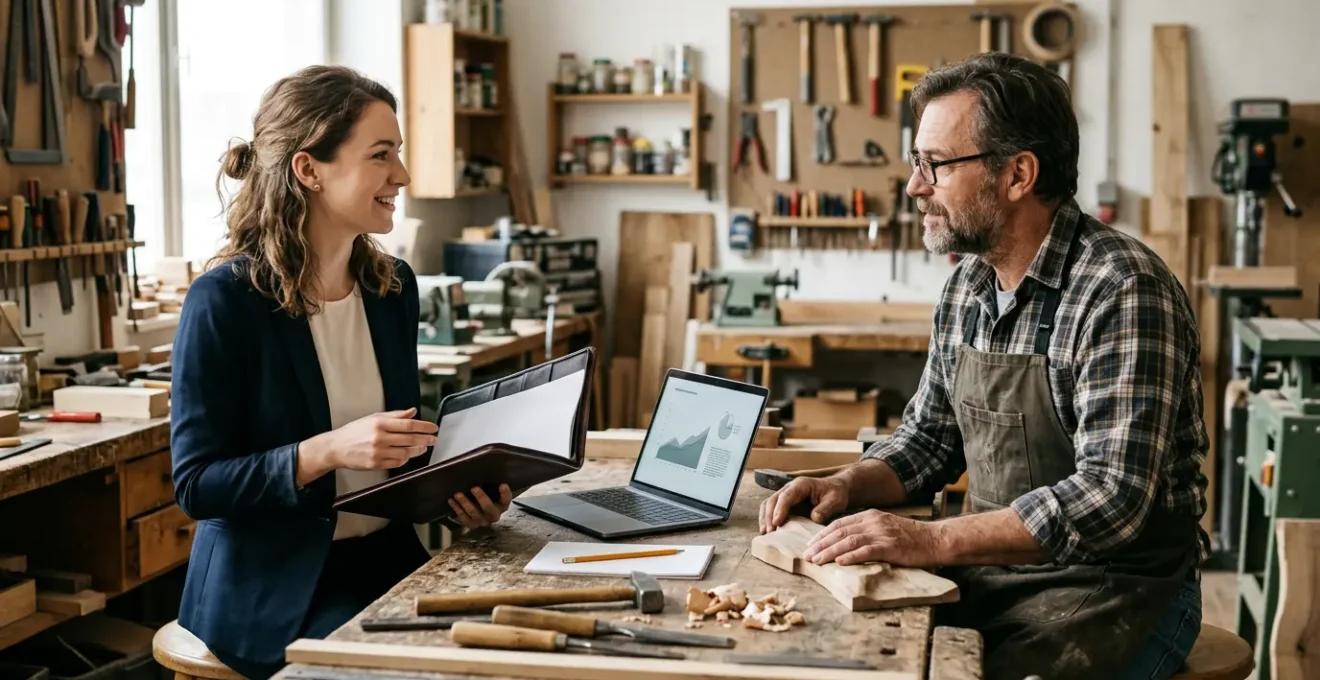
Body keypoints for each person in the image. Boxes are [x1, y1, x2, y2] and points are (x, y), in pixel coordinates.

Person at [759, 53, 1208, 680]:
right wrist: (849, 483)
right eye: (919, 164)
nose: (916, 186)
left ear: (1018, 173)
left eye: (935, 165)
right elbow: (929, 439)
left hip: (1117, 591)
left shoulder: (1121, 290)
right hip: (995, 572)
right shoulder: (968, 286)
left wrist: (932, 539)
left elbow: (1112, 499)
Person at [169, 65, 513, 680]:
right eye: (381, 155)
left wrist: (458, 495)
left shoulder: (391, 287)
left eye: (398, 154)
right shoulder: (223, 301)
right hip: (275, 585)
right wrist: (324, 451)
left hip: (385, 559)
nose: (402, 176)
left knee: (508, 645)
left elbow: (393, 458)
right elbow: (198, 485)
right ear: (309, 170)